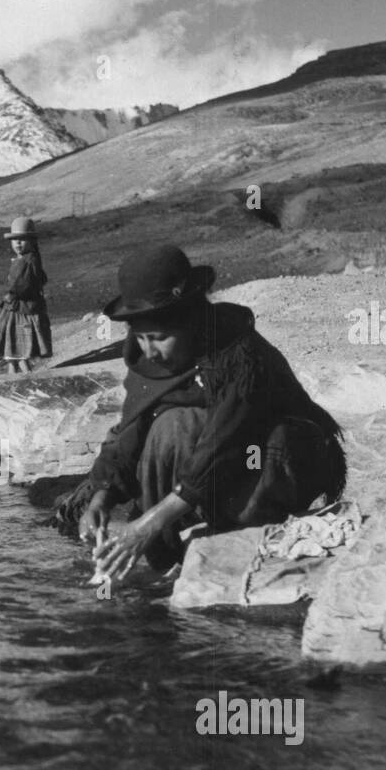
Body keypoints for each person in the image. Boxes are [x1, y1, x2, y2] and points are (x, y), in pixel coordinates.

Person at [56, 243, 346, 577]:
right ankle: (168, 558)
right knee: (166, 425)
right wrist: (101, 498)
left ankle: (234, 533)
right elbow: (129, 432)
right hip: (222, 459)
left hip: (277, 455)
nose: (149, 351)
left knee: (178, 428)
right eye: (141, 337)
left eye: (160, 338)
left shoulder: (238, 356)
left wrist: (145, 525)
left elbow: (223, 446)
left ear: (190, 322)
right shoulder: (150, 360)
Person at [0, 216, 52, 374]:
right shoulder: (31, 260)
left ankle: (25, 378)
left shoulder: (25, 262)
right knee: (14, 354)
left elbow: (19, 286)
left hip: (20, 311)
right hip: (24, 308)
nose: (18, 243)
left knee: (17, 349)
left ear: (31, 241)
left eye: (22, 240)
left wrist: (9, 295)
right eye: (15, 240)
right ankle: (15, 376)